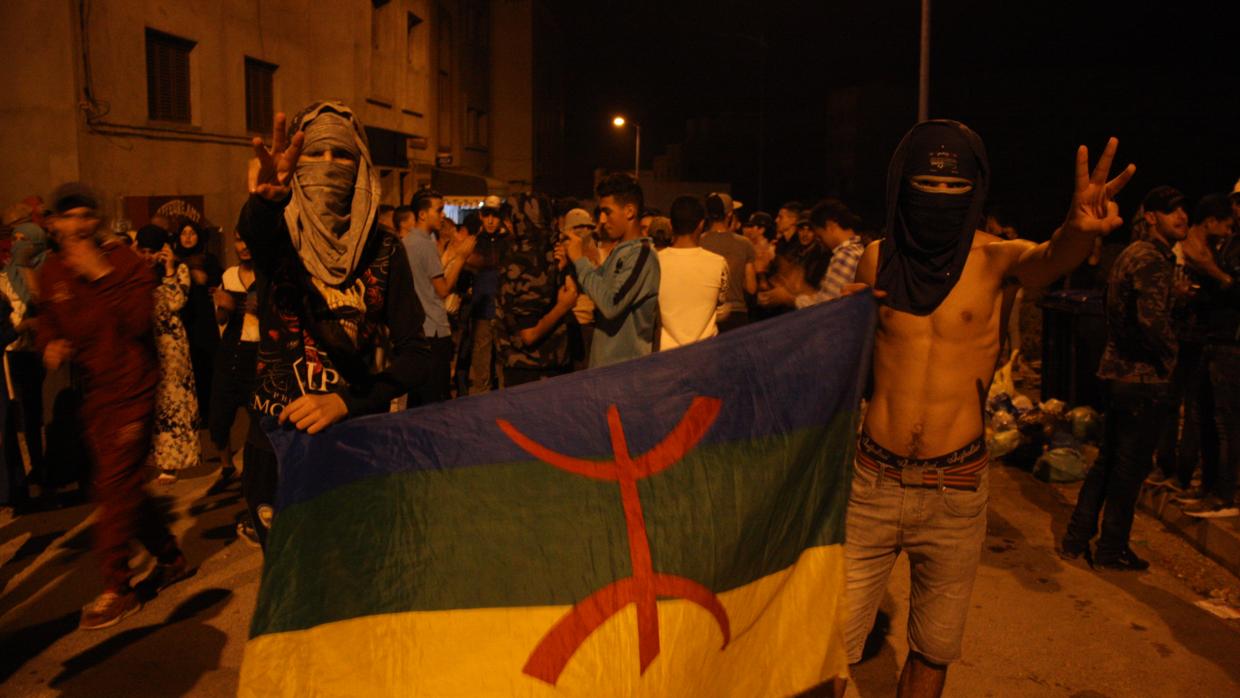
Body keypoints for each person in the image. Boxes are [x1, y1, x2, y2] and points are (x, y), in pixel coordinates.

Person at [844, 121, 1133, 697]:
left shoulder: (999, 261)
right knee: (828, 645)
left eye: (955, 188)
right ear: (902, 184)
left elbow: (1052, 257)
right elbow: (847, 362)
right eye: (927, 184)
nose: (940, 199)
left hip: (955, 491)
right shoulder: (875, 261)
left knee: (933, 650)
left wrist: (1078, 228)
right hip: (871, 484)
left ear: (976, 190)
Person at [240, 102, 429, 547]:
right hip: (277, 446)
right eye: (314, 153)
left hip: (357, 440)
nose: (328, 166)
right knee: (291, 585)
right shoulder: (278, 236)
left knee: (353, 580)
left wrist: (348, 401)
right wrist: (264, 204)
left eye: (342, 155)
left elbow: (419, 353)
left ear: (362, 165)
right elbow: (256, 232)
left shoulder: (385, 251)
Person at [37, 183, 190, 629]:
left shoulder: (124, 263)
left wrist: (101, 274)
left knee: (112, 488)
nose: (79, 225)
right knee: (122, 487)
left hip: (134, 389)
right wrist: (51, 342)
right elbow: (47, 316)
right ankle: (169, 555)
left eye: (88, 215)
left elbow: (139, 322)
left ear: (98, 221)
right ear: (55, 223)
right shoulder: (53, 271)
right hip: (97, 394)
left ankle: (116, 588)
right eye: (70, 217)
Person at [1063, 184, 1187, 571]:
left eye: (1184, 211)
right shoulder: (1151, 258)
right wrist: (1171, 356)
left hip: (1118, 373)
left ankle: (1077, 537)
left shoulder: (1132, 254)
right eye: (1171, 211)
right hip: (1141, 379)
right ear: (1150, 217)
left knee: (1109, 460)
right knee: (1128, 469)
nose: (1182, 218)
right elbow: (1150, 322)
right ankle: (1112, 547)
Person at [1178, 193, 1240, 518]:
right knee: (1205, 416)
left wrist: (1211, 272)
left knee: (1227, 422)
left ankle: (1226, 495)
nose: (1236, 209)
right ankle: (1209, 488)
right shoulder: (1229, 244)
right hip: (1213, 337)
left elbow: (1232, 287)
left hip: (1232, 343)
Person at [563, 173, 659, 367]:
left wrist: (580, 260)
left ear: (630, 211)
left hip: (624, 372)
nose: (603, 219)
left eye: (608, 212)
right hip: (605, 371)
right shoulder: (621, 251)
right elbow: (597, 288)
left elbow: (610, 304)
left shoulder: (642, 254)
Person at [134, 225, 201, 483]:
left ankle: (171, 462)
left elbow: (175, 302)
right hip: (145, 342)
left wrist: (169, 268)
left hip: (171, 345)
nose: (150, 256)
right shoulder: (138, 271)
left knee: (172, 404)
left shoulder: (179, 270)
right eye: (145, 250)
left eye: (154, 251)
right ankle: (148, 458)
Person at [495, 193, 577, 386]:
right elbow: (529, 334)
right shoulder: (530, 261)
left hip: (534, 368)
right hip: (533, 371)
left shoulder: (533, 255)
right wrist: (562, 307)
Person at [403, 188, 472, 404]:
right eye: (439, 210)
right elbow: (442, 290)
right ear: (423, 214)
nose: (443, 215)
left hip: (415, 328)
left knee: (418, 396)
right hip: (433, 329)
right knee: (435, 397)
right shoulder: (425, 244)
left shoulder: (406, 243)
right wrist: (461, 257)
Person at [207, 230, 260, 493]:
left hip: (258, 353)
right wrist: (222, 306)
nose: (244, 246)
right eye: (239, 239)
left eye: (248, 239)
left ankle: (257, 470)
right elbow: (220, 319)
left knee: (259, 417)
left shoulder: (268, 273)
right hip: (229, 351)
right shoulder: (228, 275)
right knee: (219, 414)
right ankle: (227, 467)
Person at [3, 221, 49, 491]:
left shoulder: (45, 268)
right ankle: (22, 472)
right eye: (15, 238)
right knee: (15, 413)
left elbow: (40, 300)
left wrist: (26, 269)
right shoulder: (7, 272)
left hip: (37, 350)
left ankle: (42, 466)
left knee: (35, 412)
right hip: (12, 350)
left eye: (24, 239)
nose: (18, 244)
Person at [758, 199, 864, 309]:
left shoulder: (845, 255)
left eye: (820, 235)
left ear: (830, 226)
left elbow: (828, 306)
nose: (820, 240)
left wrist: (787, 298)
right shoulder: (855, 250)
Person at [656, 195, 729, 350]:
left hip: (666, 355)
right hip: (705, 354)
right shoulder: (718, 263)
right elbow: (721, 308)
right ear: (701, 225)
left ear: (670, 224)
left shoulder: (656, 262)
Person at [172, 217, 222, 426]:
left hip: (203, 320)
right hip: (183, 319)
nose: (188, 237)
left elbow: (216, 282)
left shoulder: (208, 260)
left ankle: (208, 413)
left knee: (205, 366)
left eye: (192, 233)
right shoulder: (174, 261)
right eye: (184, 233)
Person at [464, 194, 507, 393]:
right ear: (481, 216)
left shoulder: (508, 241)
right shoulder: (474, 241)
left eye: (495, 216)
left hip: (503, 311)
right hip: (481, 310)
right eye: (487, 215)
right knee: (481, 365)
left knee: (503, 365)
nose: (491, 220)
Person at [700, 192, 756, 331]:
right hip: (736, 314)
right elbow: (751, 287)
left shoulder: (699, 242)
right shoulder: (744, 244)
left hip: (707, 313)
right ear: (729, 214)